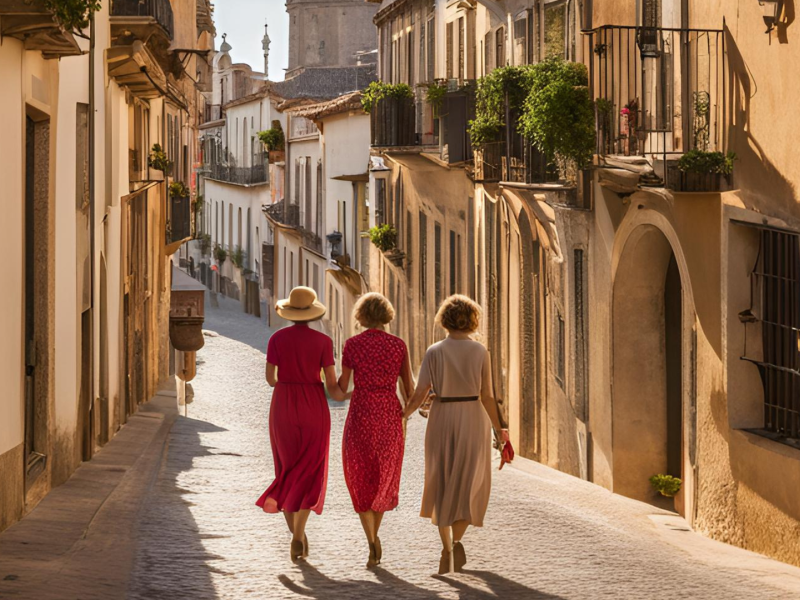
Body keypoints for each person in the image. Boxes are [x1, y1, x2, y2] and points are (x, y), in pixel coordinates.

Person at [403, 294, 509, 574]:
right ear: (473, 319)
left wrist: (402, 416)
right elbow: (488, 396)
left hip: (442, 417)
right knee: (468, 482)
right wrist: (501, 431)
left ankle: (447, 549)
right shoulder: (480, 352)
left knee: (441, 480)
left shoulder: (434, 351)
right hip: (473, 418)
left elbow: (419, 393)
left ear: (444, 320)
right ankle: (458, 540)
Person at [256, 286, 348, 562]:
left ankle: (295, 536)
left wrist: (287, 379)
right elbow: (332, 387)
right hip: (313, 405)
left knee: (286, 470)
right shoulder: (322, 342)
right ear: (311, 313)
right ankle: (300, 533)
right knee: (310, 470)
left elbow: (270, 378)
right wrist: (353, 393)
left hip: (283, 404)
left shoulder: (276, 339)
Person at [336, 293, 414, 568]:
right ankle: (375, 534)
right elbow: (409, 389)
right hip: (389, 414)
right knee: (384, 477)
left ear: (361, 316)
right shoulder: (398, 346)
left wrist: (325, 383)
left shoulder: (353, 345)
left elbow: (342, 387)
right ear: (386, 315)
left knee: (359, 473)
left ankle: (370, 539)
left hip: (361, 412)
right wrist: (406, 413)